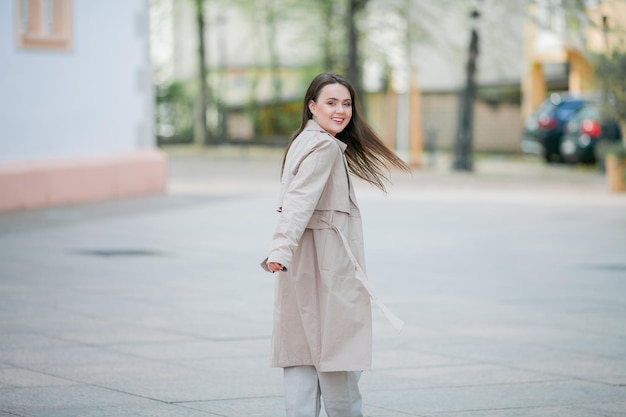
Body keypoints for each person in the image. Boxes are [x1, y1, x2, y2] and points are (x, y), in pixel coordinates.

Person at [261, 72, 409, 417]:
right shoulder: (324, 147)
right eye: (331, 103)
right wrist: (279, 249)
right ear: (312, 106)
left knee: (301, 355)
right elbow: (298, 202)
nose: (341, 111)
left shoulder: (305, 140)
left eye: (346, 104)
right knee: (337, 356)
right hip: (325, 269)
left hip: (303, 267)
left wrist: (283, 254)